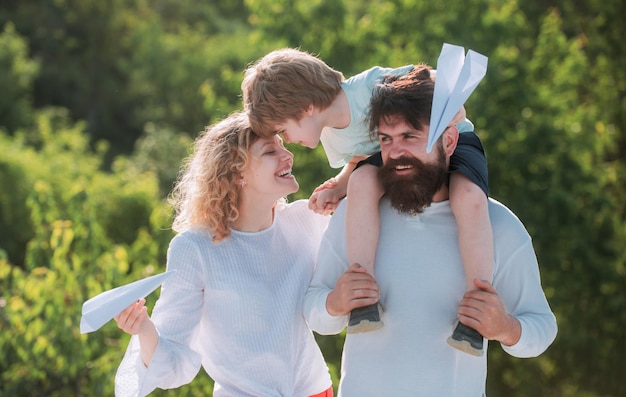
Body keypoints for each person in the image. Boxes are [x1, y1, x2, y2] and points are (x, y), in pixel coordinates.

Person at [302, 65, 558, 396]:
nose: (395, 152)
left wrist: (506, 328)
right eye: (386, 139)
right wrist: (335, 303)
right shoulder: (356, 214)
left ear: (450, 140)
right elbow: (314, 312)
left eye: (410, 137)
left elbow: (541, 328)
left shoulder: (498, 225)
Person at [242, 48, 493, 354]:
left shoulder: (373, 87)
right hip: (397, 157)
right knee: (361, 182)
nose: (287, 139)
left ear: (306, 108)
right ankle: (364, 291)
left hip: (449, 141)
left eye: (283, 130)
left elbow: (439, 80)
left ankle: (477, 307)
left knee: (468, 196)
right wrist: (338, 187)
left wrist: (448, 112)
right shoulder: (331, 138)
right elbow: (362, 158)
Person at [113, 111, 333, 397]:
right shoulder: (195, 248)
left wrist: (341, 185)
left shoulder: (306, 219)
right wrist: (143, 328)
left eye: (283, 145)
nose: (287, 155)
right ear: (238, 173)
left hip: (316, 391)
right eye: (270, 150)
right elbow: (174, 356)